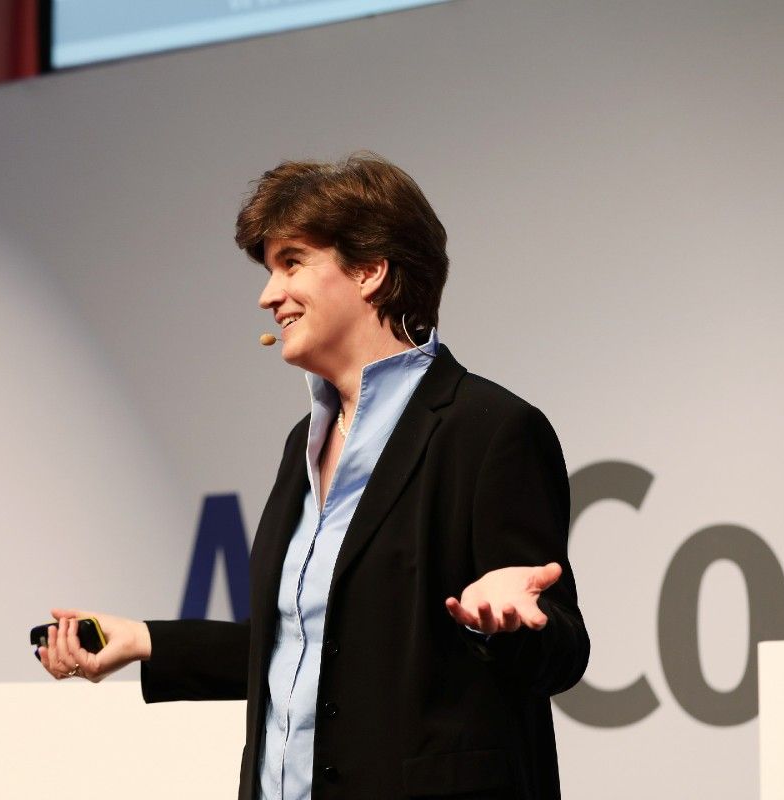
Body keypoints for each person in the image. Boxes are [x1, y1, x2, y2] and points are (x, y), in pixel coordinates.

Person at [38, 153, 590, 800]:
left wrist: (506, 622)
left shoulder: (489, 429)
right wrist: (141, 640)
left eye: (292, 262)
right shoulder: (305, 440)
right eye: (270, 270)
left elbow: (563, 650)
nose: (268, 295)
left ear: (370, 270)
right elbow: (309, 648)